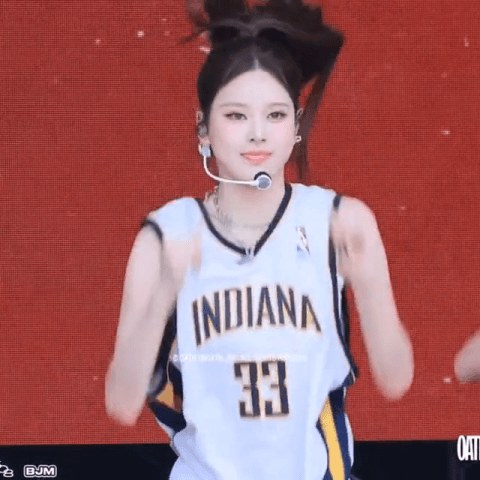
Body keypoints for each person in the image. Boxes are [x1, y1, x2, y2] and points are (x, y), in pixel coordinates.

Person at [105, 1, 414, 478]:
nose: (257, 134)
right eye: (235, 115)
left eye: (275, 115)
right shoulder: (166, 235)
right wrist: (165, 289)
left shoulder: (339, 221)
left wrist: (369, 284)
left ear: (295, 126)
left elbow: (395, 381)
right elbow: (122, 403)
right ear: (204, 128)